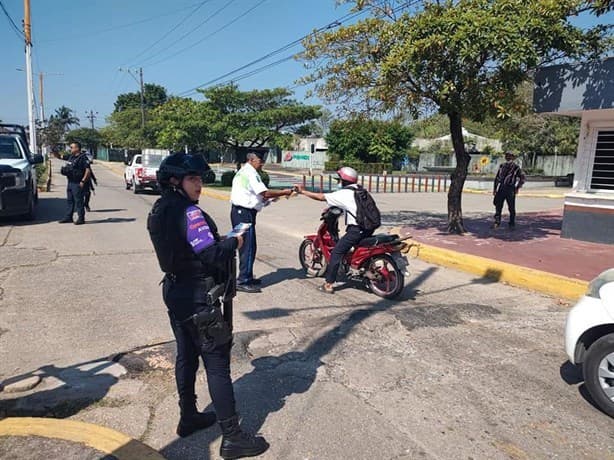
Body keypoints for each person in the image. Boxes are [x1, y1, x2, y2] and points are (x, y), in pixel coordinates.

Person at [147, 153, 269, 459]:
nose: (199, 185)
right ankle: (233, 437)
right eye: (193, 179)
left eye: (200, 179)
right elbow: (212, 254)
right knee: (217, 364)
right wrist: (235, 242)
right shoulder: (189, 213)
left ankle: (188, 416)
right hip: (199, 296)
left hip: (176, 292)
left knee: (186, 356)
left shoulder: (160, 207)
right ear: (175, 181)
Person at [295, 166, 374, 294]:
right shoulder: (360, 190)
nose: (338, 182)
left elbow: (321, 197)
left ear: (344, 180)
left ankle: (329, 284)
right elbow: (354, 207)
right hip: (368, 228)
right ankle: (358, 268)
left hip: (356, 230)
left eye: (339, 180)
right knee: (351, 247)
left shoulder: (344, 193)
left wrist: (303, 191)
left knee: (337, 253)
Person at [230, 152, 293, 293]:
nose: (262, 163)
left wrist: (274, 198)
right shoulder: (250, 173)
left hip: (243, 212)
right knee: (247, 247)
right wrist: (284, 192)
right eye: (260, 160)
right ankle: (243, 280)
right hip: (243, 213)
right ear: (251, 160)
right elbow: (264, 193)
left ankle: (247, 276)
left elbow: (258, 197)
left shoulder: (246, 171)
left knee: (250, 245)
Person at [58, 142, 91, 225]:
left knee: (78, 201)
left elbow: (88, 170)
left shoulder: (83, 158)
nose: (70, 149)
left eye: (72, 147)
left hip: (77, 183)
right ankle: (69, 217)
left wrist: (83, 181)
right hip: (70, 182)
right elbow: (60, 157)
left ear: (77, 148)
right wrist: (54, 150)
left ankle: (81, 218)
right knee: (70, 201)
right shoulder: (71, 157)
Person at [493, 151, 526, 229]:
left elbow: (522, 178)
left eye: (510, 156)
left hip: (510, 189)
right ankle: (497, 222)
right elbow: (497, 178)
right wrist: (495, 189)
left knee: (511, 207)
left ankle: (511, 223)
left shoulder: (516, 168)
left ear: (513, 158)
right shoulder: (502, 166)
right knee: (498, 206)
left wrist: (517, 187)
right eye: (507, 156)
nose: (508, 157)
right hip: (501, 188)